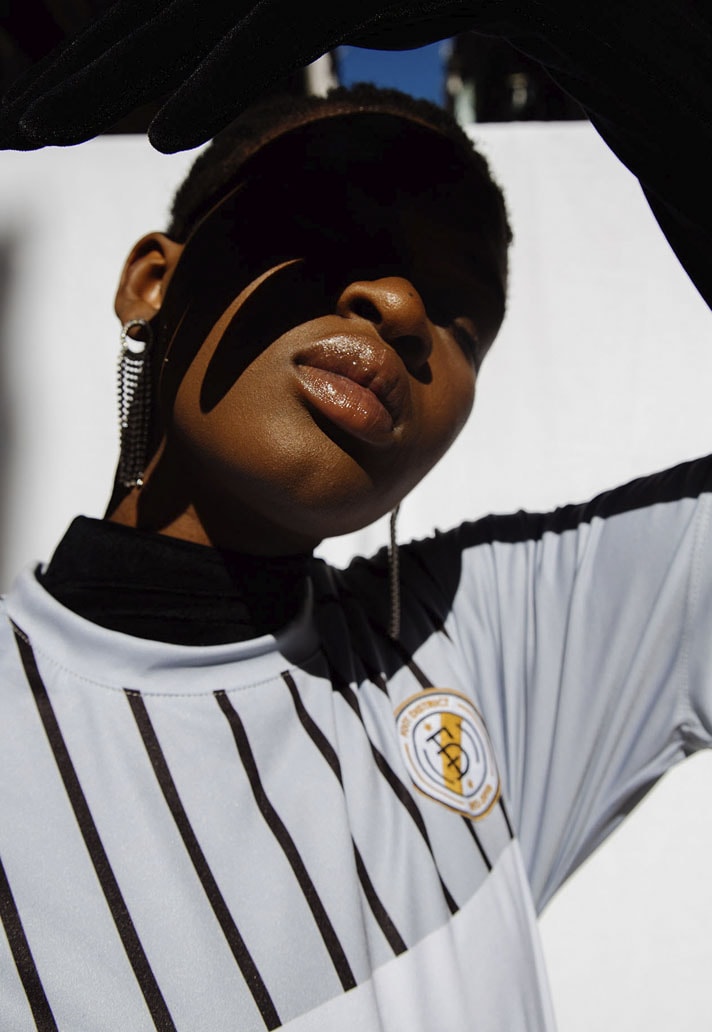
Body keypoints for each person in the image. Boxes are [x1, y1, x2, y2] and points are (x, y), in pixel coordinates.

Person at [1, 7, 711, 1032]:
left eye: (461, 315)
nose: (401, 307)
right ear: (154, 280)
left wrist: (606, 30)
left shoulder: (493, 646)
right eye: (324, 225)